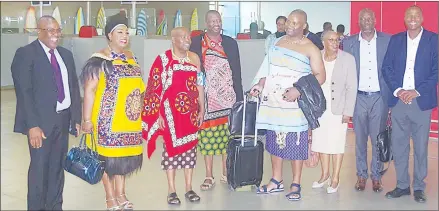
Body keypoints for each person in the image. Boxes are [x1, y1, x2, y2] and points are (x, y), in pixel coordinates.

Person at [250, 9, 326, 201]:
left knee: (295, 145)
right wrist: (259, 84)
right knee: (274, 143)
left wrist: (299, 90)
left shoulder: (310, 48)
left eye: (294, 23)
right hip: (273, 104)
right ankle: (276, 180)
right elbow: (267, 68)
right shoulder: (277, 42)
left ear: (304, 26)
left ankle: (296, 183)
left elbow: (321, 76)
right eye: (288, 22)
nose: (289, 26)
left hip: (295, 106)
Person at [11, 15, 82, 210]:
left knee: (57, 169)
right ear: (39, 31)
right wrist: (32, 125)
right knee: (39, 170)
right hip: (40, 124)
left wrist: (76, 117)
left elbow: (73, 87)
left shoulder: (65, 55)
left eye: (58, 31)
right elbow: (23, 92)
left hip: (63, 119)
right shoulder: (26, 54)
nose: (56, 35)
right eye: (51, 31)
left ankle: (55, 206)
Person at [80, 13, 144, 210]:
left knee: (123, 160)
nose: (125, 36)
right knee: (106, 160)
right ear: (109, 35)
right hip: (106, 120)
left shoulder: (131, 57)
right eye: (120, 32)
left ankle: (121, 194)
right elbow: (89, 91)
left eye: (126, 32)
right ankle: (110, 197)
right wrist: (86, 119)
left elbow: (140, 87)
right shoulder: (99, 59)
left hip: (129, 120)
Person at [142, 27, 206, 205]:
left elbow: (199, 84)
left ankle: (188, 187)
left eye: (189, 37)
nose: (188, 40)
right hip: (170, 114)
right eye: (183, 37)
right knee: (171, 151)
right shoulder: (163, 60)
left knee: (190, 151)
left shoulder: (195, 58)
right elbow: (154, 89)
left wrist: (202, 108)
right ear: (173, 39)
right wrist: (158, 114)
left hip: (190, 113)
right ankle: (171, 190)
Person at [382, 5, 438, 203]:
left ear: (422, 18)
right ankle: (402, 185)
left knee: (421, 147)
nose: (413, 18)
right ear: (404, 19)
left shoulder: (434, 40)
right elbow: (386, 67)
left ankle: (419, 187)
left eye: (416, 15)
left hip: (421, 102)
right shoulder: (396, 40)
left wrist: (416, 91)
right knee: (399, 146)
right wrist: (399, 90)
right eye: (409, 16)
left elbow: (436, 70)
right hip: (399, 101)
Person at [189, 10, 244, 190]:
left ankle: (226, 173)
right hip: (207, 99)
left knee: (228, 137)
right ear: (206, 23)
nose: (216, 23)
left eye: (218, 20)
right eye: (212, 20)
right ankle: (208, 175)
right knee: (207, 138)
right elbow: (193, 72)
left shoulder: (230, 43)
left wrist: (240, 98)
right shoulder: (196, 43)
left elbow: (237, 71)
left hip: (228, 98)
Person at [342, 8, 391, 192]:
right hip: (358, 98)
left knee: (378, 139)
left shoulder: (387, 40)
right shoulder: (348, 43)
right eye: (363, 18)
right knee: (360, 140)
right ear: (358, 22)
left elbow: (392, 69)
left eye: (369, 18)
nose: (367, 21)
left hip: (379, 97)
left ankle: (376, 176)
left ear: (375, 21)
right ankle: (361, 176)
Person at [310, 31, 357, 194]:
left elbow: (352, 87)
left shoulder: (348, 59)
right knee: (322, 141)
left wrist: (348, 111)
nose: (335, 43)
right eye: (331, 40)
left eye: (338, 40)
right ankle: (324, 175)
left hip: (339, 108)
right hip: (320, 108)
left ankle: (335, 178)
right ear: (323, 42)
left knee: (336, 143)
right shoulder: (317, 57)